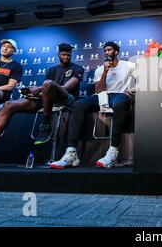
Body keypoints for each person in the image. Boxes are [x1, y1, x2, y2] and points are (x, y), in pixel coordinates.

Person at [0, 43, 84, 169]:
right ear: (58, 55)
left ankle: (45, 125)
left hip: (66, 99)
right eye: (64, 54)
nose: (66, 57)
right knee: (9, 104)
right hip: (47, 99)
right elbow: (46, 91)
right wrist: (32, 93)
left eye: (69, 55)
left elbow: (66, 88)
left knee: (48, 83)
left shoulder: (78, 68)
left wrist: (39, 88)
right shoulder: (52, 70)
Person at [50, 41, 135, 169]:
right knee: (79, 104)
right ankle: (71, 152)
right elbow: (99, 90)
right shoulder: (101, 69)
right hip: (103, 95)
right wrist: (106, 71)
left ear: (116, 52)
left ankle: (113, 152)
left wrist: (135, 89)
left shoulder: (128, 65)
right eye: (105, 50)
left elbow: (144, 75)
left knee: (119, 103)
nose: (107, 52)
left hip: (120, 94)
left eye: (110, 50)